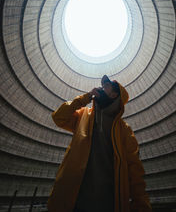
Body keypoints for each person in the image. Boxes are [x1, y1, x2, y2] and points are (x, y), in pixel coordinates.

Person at [47, 75, 152, 212]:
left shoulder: (124, 130)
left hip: (108, 203)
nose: (102, 87)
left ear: (115, 94)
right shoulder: (83, 115)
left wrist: (141, 204)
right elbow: (58, 117)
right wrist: (85, 98)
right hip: (73, 201)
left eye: (106, 85)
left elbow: (134, 168)